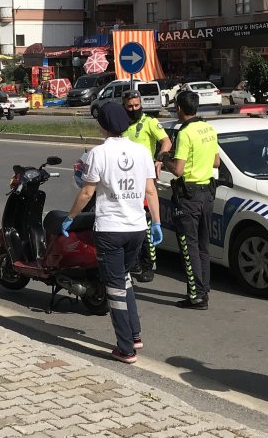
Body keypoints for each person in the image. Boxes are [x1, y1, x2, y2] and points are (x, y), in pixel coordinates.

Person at [62, 103, 161, 364]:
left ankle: (126, 348)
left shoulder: (98, 154)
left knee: (115, 287)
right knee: (125, 278)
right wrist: (158, 223)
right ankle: (135, 333)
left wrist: (70, 218)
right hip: (138, 228)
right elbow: (151, 191)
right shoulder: (141, 151)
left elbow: (86, 192)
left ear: (102, 126)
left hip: (110, 229)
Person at [168, 90, 219, 310]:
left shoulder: (185, 133)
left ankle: (197, 296)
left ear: (179, 108)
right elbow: (216, 162)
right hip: (207, 193)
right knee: (203, 246)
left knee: (189, 247)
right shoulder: (208, 128)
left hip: (188, 196)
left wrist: (164, 159)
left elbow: (178, 170)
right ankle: (204, 289)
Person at [121, 90, 171, 283]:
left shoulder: (149, 122)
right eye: (130, 106)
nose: (134, 109)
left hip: (145, 180)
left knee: (146, 223)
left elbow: (166, 142)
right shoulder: (122, 125)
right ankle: (132, 262)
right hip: (126, 180)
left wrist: (160, 159)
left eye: (136, 105)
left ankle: (148, 264)